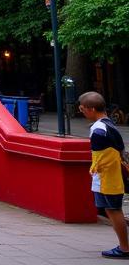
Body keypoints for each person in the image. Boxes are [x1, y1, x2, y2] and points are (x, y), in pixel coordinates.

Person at [79, 91, 129, 259]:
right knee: (111, 209)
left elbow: (102, 155)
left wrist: (95, 166)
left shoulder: (99, 129)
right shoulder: (108, 125)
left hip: (108, 177)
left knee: (114, 210)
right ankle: (124, 246)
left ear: (91, 109)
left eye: (83, 109)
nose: (82, 112)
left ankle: (125, 248)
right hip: (110, 175)